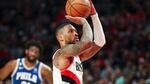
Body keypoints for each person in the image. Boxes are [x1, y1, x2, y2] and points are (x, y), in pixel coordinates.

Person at [52, 0, 106, 84]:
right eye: (71, 31)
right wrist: (84, 22)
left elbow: (100, 42)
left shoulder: (76, 57)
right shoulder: (62, 53)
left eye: (76, 31)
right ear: (61, 37)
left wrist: (94, 14)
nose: (76, 33)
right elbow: (87, 42)